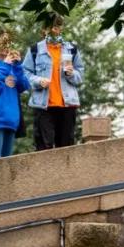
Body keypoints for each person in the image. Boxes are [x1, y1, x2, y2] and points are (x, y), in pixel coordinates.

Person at [23, 15, 84, 151]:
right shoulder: (35, 50)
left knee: (66, 149)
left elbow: (80, 75)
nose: (55, 30)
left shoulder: (72, 49)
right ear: (44, 30)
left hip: (67, 105)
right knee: (44, 148)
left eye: (57, 27)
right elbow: (25, 73)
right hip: (44, 106)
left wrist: (71, 73)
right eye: (51, 27)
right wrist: (38, 81)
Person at [0, 28, 30, 160]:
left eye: (9, 43)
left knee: (5, 168)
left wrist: (18, 67)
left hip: (12, 121)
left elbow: (24, 86)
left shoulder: (13, 67)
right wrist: (6, 66)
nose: (6, 46)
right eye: (3, 42)